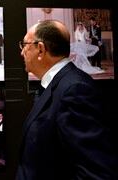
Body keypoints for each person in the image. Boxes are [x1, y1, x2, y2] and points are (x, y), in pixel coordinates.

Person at [16, 20, 117, 180]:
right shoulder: (58, 85)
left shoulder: (75, 90)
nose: (22, 52)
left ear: (40, 49)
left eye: (25, 45)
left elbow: (96, 172)